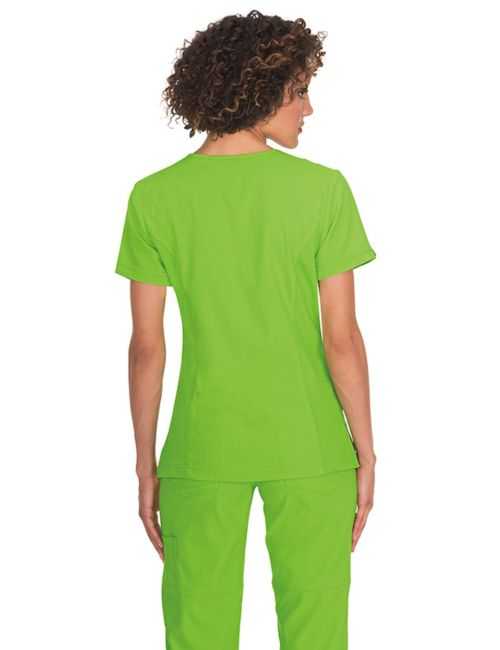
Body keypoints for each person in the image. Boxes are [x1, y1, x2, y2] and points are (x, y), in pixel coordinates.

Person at [115, 10, 377, 650]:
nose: (309, 108)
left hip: (201, 448)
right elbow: (341, 339)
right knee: (317, 636)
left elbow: (148, 347)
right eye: (300, 90)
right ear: (259, 87)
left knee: (197, 634)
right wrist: (366, 451)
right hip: (312, 446)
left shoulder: (154, 197)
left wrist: (146, 463)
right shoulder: (323, 191)